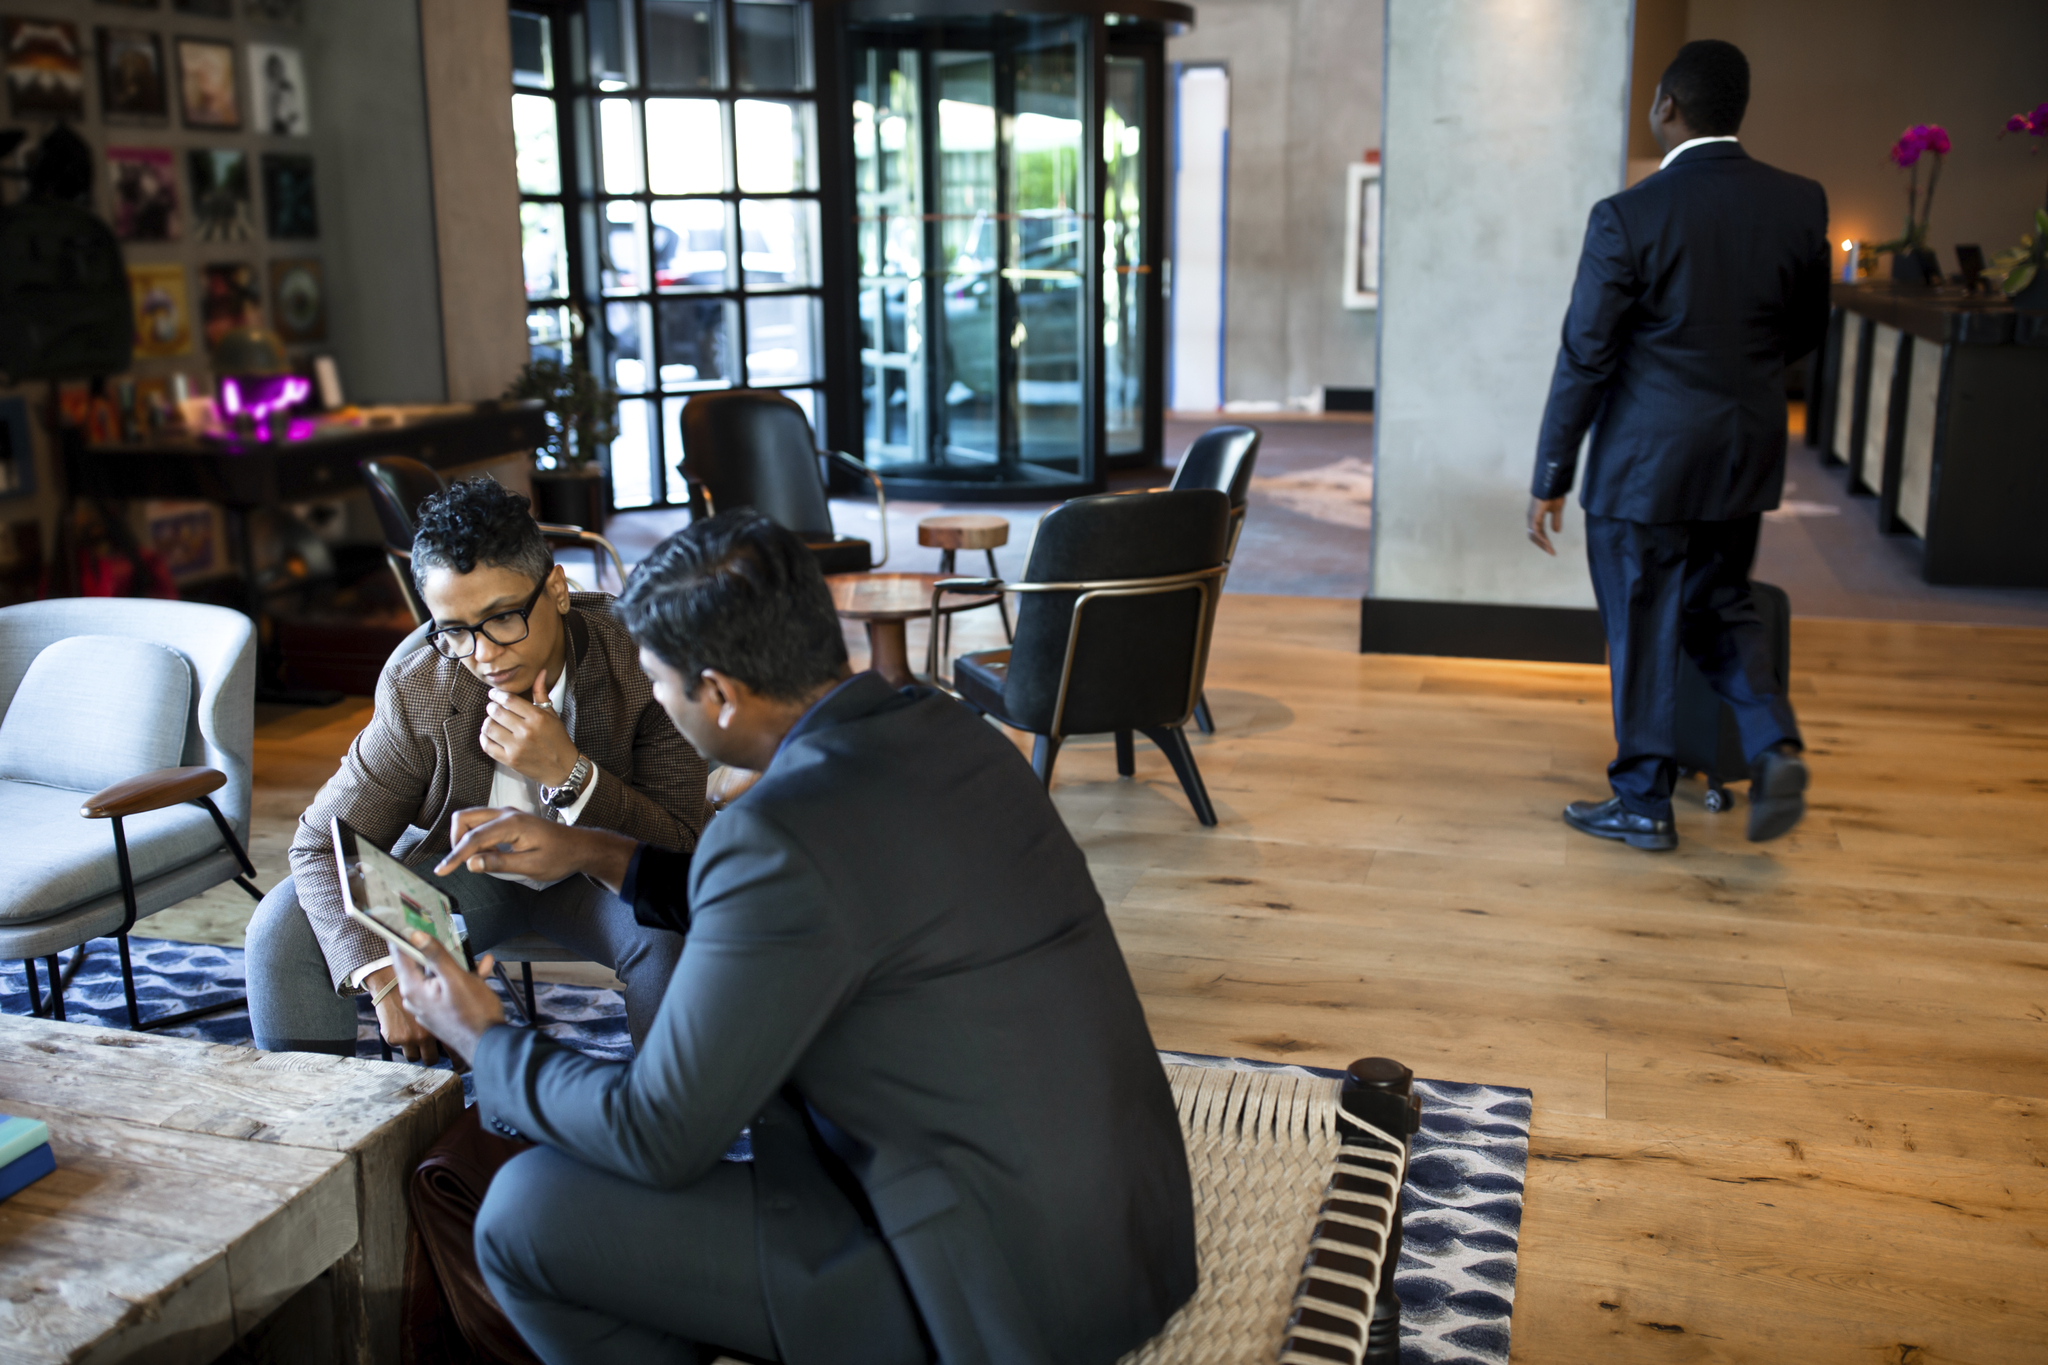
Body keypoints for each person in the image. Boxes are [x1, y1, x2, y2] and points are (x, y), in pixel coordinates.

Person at [392, 511, 1197, 1365]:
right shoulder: (951, 727)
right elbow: (814, 906)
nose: (659, 702)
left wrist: (484, 1036)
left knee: (525, 1213)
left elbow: (654, 1133)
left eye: (663, 684)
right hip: (1128, 1233)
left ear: (722, 694)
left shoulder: (777, 833)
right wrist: (595, 851)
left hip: (990, 1294)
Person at [246, 477, 708, 1058]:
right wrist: (384, 978)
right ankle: (318, 1141)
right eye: (456, 630)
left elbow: (682, 851)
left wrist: (571, 775)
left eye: (504, 617)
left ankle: (666, 1127)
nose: (484, 654)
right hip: (461, 877)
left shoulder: (642, 659)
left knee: (669, 929)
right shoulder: (423, 686)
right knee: (282, 925)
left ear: (558, 590)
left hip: (597, 880)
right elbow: (322, 844)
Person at [1528, 39, 1828, 852]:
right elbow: (1803, 333)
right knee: (1720, 603)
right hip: (1743, 457)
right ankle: (1772, 745)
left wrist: (1552, 472)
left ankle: (1642, 801)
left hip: (1644, 467)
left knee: (1642, 619)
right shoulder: (1800, 203)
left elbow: (1586, 355)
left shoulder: (1627, 215)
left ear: (1668, 107)